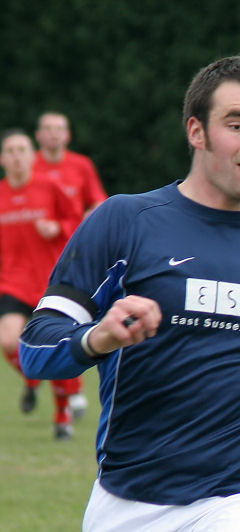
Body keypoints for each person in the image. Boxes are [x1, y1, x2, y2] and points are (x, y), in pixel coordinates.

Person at [19, 55, 240, 531]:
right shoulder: (124, 222)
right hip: (128, 501)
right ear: (196, 131)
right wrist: (97, 339)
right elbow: (35, 348)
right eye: (237, 124)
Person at [0, 129, 83, 440]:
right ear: (3, 159)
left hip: (51, 283)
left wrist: (57, 226)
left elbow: (78, 220)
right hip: (12, 283)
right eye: (11, 150)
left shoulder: (50, 187)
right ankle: (34, 379)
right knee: (8, 341)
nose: (17, 155)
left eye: (22, 149)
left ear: (32, 156)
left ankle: (62, 413)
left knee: (56, 350)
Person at [35, 111, 109, 417]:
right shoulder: (30, 167)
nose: (53, 134)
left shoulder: (81, 166)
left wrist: (75, 226)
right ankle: (59, 388)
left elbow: (100, 204)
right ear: (38, 136)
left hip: (76, 257)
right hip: (34, 258)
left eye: (59, 129)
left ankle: (70, 390)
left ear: (67, 136)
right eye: (48, 129)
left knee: (71, 319)